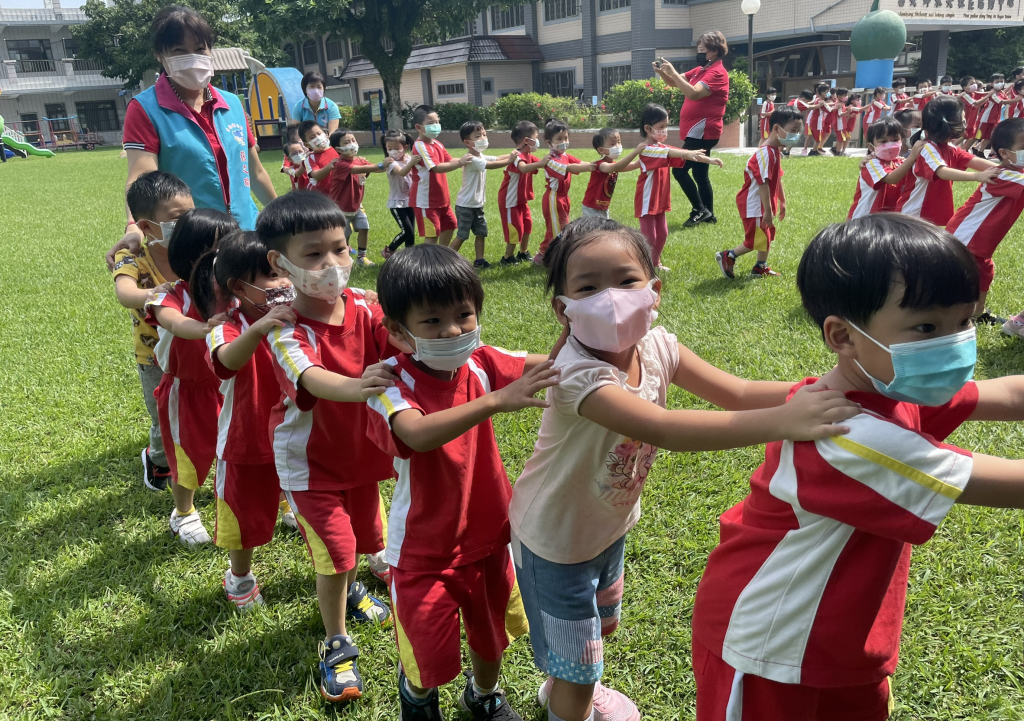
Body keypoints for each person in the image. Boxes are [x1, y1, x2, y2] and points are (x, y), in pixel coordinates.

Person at [509, 217, 860, 721]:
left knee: (595, 632)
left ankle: (568, 690)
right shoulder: (575, 374)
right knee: (576, 664)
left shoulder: (658, 347)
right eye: (588, 286)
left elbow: (736, 392)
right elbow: (665, 428)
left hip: (606, 526)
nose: (611, 297)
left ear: (654, 289)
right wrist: (786, 421)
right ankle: (569, 703)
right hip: (554, 541)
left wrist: (821, 389)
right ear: (562, 308)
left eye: (626, 280)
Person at [691, 213, 1024, 721]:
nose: (955, 344)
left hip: (843, 644)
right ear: (843, 337)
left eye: (965, 322)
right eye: (927, 327)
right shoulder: (845, 431)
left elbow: (1005, 392)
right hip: (771, 650)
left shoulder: (891, 384)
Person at [367, 244, 559, 721]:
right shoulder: (387, 383)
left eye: (464, 315)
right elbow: (415, 433)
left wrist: (580, 334)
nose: (453, 330)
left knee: (492, 634)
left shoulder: (479, 361)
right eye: (432, 322)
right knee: (427, 653)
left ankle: (484, 694)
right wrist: (495, 402)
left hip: (490, 535)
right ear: (398, 332)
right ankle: (417, 697)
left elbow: (546, 365)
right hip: (422, 551)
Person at [256, 191, 397, 703]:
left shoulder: (365, 305)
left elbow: (402, 340)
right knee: (336, 554)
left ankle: (355, 589)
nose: (333, 264)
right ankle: (337, 643)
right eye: (314, 254)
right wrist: (364, 383)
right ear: (279, 262)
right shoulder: (284, 327)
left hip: (363, 456)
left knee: (365, 538)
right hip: (310, 467)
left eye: (339, 248)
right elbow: (311, 378)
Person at [110, 5, 276, 269]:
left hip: (244, 237)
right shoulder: (145, 109)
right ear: (160, 56)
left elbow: (254, 173)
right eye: (179, 51)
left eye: (200, 49)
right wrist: (134, 227)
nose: (192, 58)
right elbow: (141, 179)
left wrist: (282, 217)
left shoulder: (232, 103)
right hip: (191, 243)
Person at [190, 231, 299, 610]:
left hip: (299, 435)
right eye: (272, 275)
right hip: (247, 441)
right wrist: (258, 328)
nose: (284, 282)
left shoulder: (299, 314)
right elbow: (225, 361)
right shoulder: (227, 324)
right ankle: (240, 577)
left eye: (285, 270)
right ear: (240, 286)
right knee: (245, 517)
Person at [145, 208, 239, 546]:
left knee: (244, 447)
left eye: (228, 249)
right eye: (211, 251)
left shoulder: (235, 291)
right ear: (187, 252)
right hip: (185, 391)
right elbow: (173, 322)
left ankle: (283, 501)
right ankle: (182, 513)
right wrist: (207, 328)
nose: (220, 259)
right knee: (188, 456)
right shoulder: (169, 293)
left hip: (228, 386)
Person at [112, 171, 194, 492]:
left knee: (197, 409)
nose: (187, 224)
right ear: (146, 227)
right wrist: (162, 292)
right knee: (164, 418)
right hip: (154, 357)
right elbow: (126, 293)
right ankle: (157, 461)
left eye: (191, 215)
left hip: (195, 348)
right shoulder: (132, 256)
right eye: (178, 219)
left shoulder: (195, 251)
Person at [945, 118, 1024, 325]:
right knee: (963, 277)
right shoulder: (1005, 176)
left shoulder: (1016, 173)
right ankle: (954, 316)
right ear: (1004, 154)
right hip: (967, 235)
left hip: (980, 239)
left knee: (983, 273)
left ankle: (976, 314)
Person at [652, 31, 730, 226]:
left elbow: (694, 93)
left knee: (679, 170)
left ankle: (700, 209)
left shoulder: (717, 73)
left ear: (713, 50)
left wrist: (674, 72)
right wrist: (663, 71)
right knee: (700, 174)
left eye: (702, 47)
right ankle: (709, 214)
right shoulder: (701, 70)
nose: (698, 50)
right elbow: (674, 83)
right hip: (697, 130)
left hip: (703, 130)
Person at [634, 103, 722, 271]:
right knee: (649, 236)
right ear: (648, 128)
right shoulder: (646, 150)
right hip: (647, 199)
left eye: (666, 126)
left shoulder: (662, 147)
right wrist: (686, 153)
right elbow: (672, 153)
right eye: (661, 127)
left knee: (662, 234)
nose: (665, 130)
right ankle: (645, 266)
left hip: (660, 199)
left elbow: (680, 154)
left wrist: (709, 160)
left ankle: (654, 263)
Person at [716, 107, 801, 279]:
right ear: (777, 128)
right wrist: (768, 212)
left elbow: (778, 178)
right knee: (755, 240)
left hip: (763, 205)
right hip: (753, 205)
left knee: (766, 235)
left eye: (798, 132)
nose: (796, 136)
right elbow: (763, 183)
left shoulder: (775, 151)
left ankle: (760, 266)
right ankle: (727, 256)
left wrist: (782, 201)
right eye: (793, 131)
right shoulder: (765, 154)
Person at [896, 95, 998, 226]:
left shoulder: (950, 148)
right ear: (948, 123)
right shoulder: (927, 148)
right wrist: (977, 176)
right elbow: (941, 171)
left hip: (928, 215)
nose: (965, 124)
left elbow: (975, 161)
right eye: (962, 120)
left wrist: (1005, 170)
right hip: (914, 215)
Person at [311, 128, 389, 267]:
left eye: (353, 140)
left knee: (364, 228)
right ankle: (344, 258)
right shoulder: (339, 164)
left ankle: (361, 257)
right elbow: (361, 169)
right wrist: (382, 164)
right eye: (347, 142)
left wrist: (391, 164)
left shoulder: (360, 161)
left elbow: (376, 169)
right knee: (343, 236)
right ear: (338, 149)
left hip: (356, 206)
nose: (352, 144)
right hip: (340, 208)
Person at [403, 105, 472, 246]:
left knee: (450, 226)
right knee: (432, 236)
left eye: (437, 122)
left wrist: (469, 160)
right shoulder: (421, 146)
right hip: (426, 202)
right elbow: (436, 168)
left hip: (442, 199)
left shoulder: (437, 144)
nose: (436, 126)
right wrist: (460, 162)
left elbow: (449, 160)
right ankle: (428, 265)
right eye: (430, 123)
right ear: (419, 127)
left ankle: (441, 258)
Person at [450, 121, 511, 268]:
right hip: (465, 205)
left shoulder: (481, 155)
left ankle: (479, 260)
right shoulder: (471, 159)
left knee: (481, 233)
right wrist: (511, 160)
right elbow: (491, 166)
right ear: (467, 142)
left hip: (477, 204)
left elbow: (496, 158)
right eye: (478, 136)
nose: (483, 138)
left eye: (484, 134)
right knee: (462, 235)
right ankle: (446, 259)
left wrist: (515, 153)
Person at [537, 118, 597, 260]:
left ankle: (543, 255)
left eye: (565, 138)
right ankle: (556, 258)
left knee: (559, 227)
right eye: (559, 139)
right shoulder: (550, 160)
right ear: (549, 143)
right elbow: (570, 168)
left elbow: (580, 162)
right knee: (557, 230)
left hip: (564, 197)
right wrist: (589, 167)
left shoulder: (565, 155)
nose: (564, 142)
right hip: (554, 198)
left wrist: (597, 165)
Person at [847, 119, 922, 220]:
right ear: (871, 146)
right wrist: (911, 158)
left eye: (895, 140)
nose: (890, 145)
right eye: (883, 141)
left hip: (887, 220)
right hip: (864, 220)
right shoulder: (871, 163)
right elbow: (891, 179)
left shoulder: (900, 163)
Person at [497, 121, 548, 265]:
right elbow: (523, 168)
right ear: (527, 140)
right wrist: (540, 163)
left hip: (521, 200)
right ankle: (507, 258)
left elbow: (543, 164)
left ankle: (523, 253)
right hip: (509, 200)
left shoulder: (529, 156)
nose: (537, 141)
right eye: (536, 137)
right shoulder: (517, 155)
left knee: (527, 225)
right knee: (515, 229)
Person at [581, 128, 641, 219]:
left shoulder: (612, 164)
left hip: (603, 207)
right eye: (613, 144)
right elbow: (617, 167)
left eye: (619, 142)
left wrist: (643, 160)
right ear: (601, 150)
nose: (617, 146)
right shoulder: (600, 165)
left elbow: (633, 165)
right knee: (596, 231)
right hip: (591, 207)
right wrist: (635, 152)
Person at [382, 130, 417, 260]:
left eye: (396, 148)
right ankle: (389, 250)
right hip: (397, 203)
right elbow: (401, 172)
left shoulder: (408, 158)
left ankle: (410, 258)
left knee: (411, 233)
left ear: (405, 147)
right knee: (406, 230)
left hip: (411, 201)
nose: (392, 151)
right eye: (389, 148)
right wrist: (412, 163)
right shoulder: (390, 162)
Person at [290, 71, 341, 136]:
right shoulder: (298, 107)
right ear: (305, 89)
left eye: (319, 87)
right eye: (312, 86)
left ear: (323, 89)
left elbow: (332, 133)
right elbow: (295, 133)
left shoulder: (332, 107)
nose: (316, 90)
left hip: (326, 143)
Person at [299, 121, 340, 198]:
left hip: (338, 191)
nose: (317, 138)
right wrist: (330, 166)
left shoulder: (337, 150)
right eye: (312, 137)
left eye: (319, 133)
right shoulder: (309, 158)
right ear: (306, 144)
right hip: (319, 196)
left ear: (325, 134)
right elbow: (316, 176)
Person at [975, 72, 1007, 156]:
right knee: (978, 136)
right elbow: (1003, 102)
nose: (1000, 83)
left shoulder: (1002, 93)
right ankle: (971, 149)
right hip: (986, 118)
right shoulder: (992, 93)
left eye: (1001, 81)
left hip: (995, 118)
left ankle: (979, 151)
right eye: (997, 82)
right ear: (992, 84)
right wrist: (1017, 99)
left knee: (990, 136)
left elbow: (1007, 101)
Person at [807, 83, 834, 156]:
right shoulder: (821, 101)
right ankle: (813, 151)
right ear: (822, 93)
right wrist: (836, 107)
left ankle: (814, 150)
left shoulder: (818, 99)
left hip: (816, 121)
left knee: (818, 137)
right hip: (817, 121)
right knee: (818, 138)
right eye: (827, 91)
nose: (829, 93)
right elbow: (829, 110)